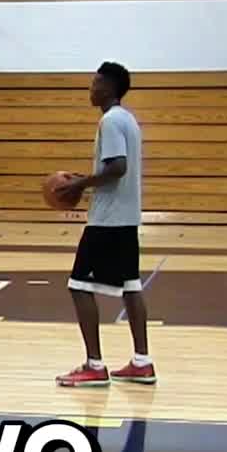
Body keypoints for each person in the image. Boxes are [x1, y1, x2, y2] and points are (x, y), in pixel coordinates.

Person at [55, 62, 154, 386]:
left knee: (79, 286)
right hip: (126, 219)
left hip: (107, 222)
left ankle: (94, 366)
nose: (91, 88)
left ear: (110, 87)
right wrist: (85, 180)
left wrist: (80, 184)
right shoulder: (128, 120)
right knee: (130, 287)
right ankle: (142, 361)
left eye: (96, 83)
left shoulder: (110, 121)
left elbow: (118, 167)